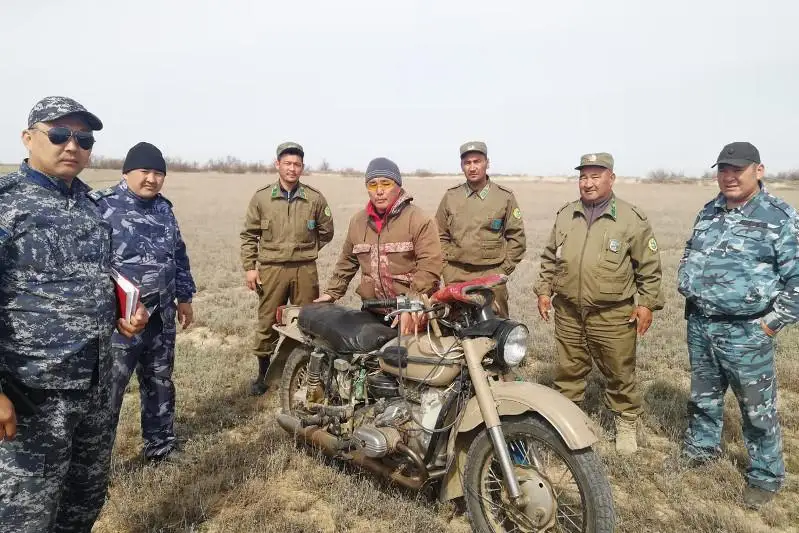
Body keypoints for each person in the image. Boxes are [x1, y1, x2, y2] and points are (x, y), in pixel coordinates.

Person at [0, 96, 148, 532]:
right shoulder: (8, 205)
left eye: (84, 139)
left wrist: (122, 311)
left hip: (94, 387)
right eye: (60, 134)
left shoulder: (89, 206)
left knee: (82, 502)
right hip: (32, 394)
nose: (72, 146)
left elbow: (88, 280)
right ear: (28, 139)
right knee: (24, 516)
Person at [676, 141, 798, 509]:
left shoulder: (779, 217)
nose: (729, 177)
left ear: (758, 171)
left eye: (737, 170)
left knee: (757, 410)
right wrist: (686, 278)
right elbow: (690, 251)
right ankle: (701, 449)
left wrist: (770, 325)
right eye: (723, 170)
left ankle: (765, 475)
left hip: (747, 331)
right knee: (703, 398)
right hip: (702, 324)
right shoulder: (709, 211)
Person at [533, 152, 663, 455]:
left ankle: (625, 421)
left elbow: (649, 267)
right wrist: (543, 290)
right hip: (568, 311)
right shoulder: (567, 214)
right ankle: (568, 421)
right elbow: (550, 257)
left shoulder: (631, 218)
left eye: (595, 176)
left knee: (620, 371)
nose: (588, 183)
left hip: (613, 314)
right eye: (583, 177)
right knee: (568, 370)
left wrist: (646, 304)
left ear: (611, 178)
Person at [90, 141, 196, 463]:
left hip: (160, 316)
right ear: (126, 173)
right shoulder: (101, 206)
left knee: (159, 382)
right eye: (145, 171)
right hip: (119, 321)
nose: (151, 179)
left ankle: (160, 446)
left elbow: (178, 254)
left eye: (158, 173)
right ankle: (95, 463)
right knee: (108, 391)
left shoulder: (164, 209)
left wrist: (184, 297)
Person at [240, 142, 334, 395]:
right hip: (271, 270)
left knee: (309, 321)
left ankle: (307, 375)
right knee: (267, 321)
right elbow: (249, 235)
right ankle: (263, 376)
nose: (292, 169)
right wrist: (250, 268)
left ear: (302, 167)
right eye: (287, 163)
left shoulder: (314, 198)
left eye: (297, 165)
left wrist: (306, 249)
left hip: (305, 270)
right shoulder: (262, 198)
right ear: (277, 164)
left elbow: (327, 231)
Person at [315, 157, 443, 334]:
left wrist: (410, 304)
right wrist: (332, 292)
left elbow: (429, 268)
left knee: (409, 351)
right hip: (373, 312)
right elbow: (347, 261)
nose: (379, 191)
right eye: (372, 185)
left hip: (413, 313)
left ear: (398, 185)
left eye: (386, 183)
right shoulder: (358, 222)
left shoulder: (419, 220)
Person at [435, 141, 526, 318]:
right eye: (467, 163)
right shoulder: (451, 197)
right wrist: (447, 268)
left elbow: (517, 239)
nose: (472, 167)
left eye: (477, 161)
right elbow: (439, 234)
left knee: (495, 326)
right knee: (457, 325)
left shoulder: (504, 197)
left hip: (490, 275)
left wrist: (502, 270)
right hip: (456, 274)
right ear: (462, 166)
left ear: (487, 163)